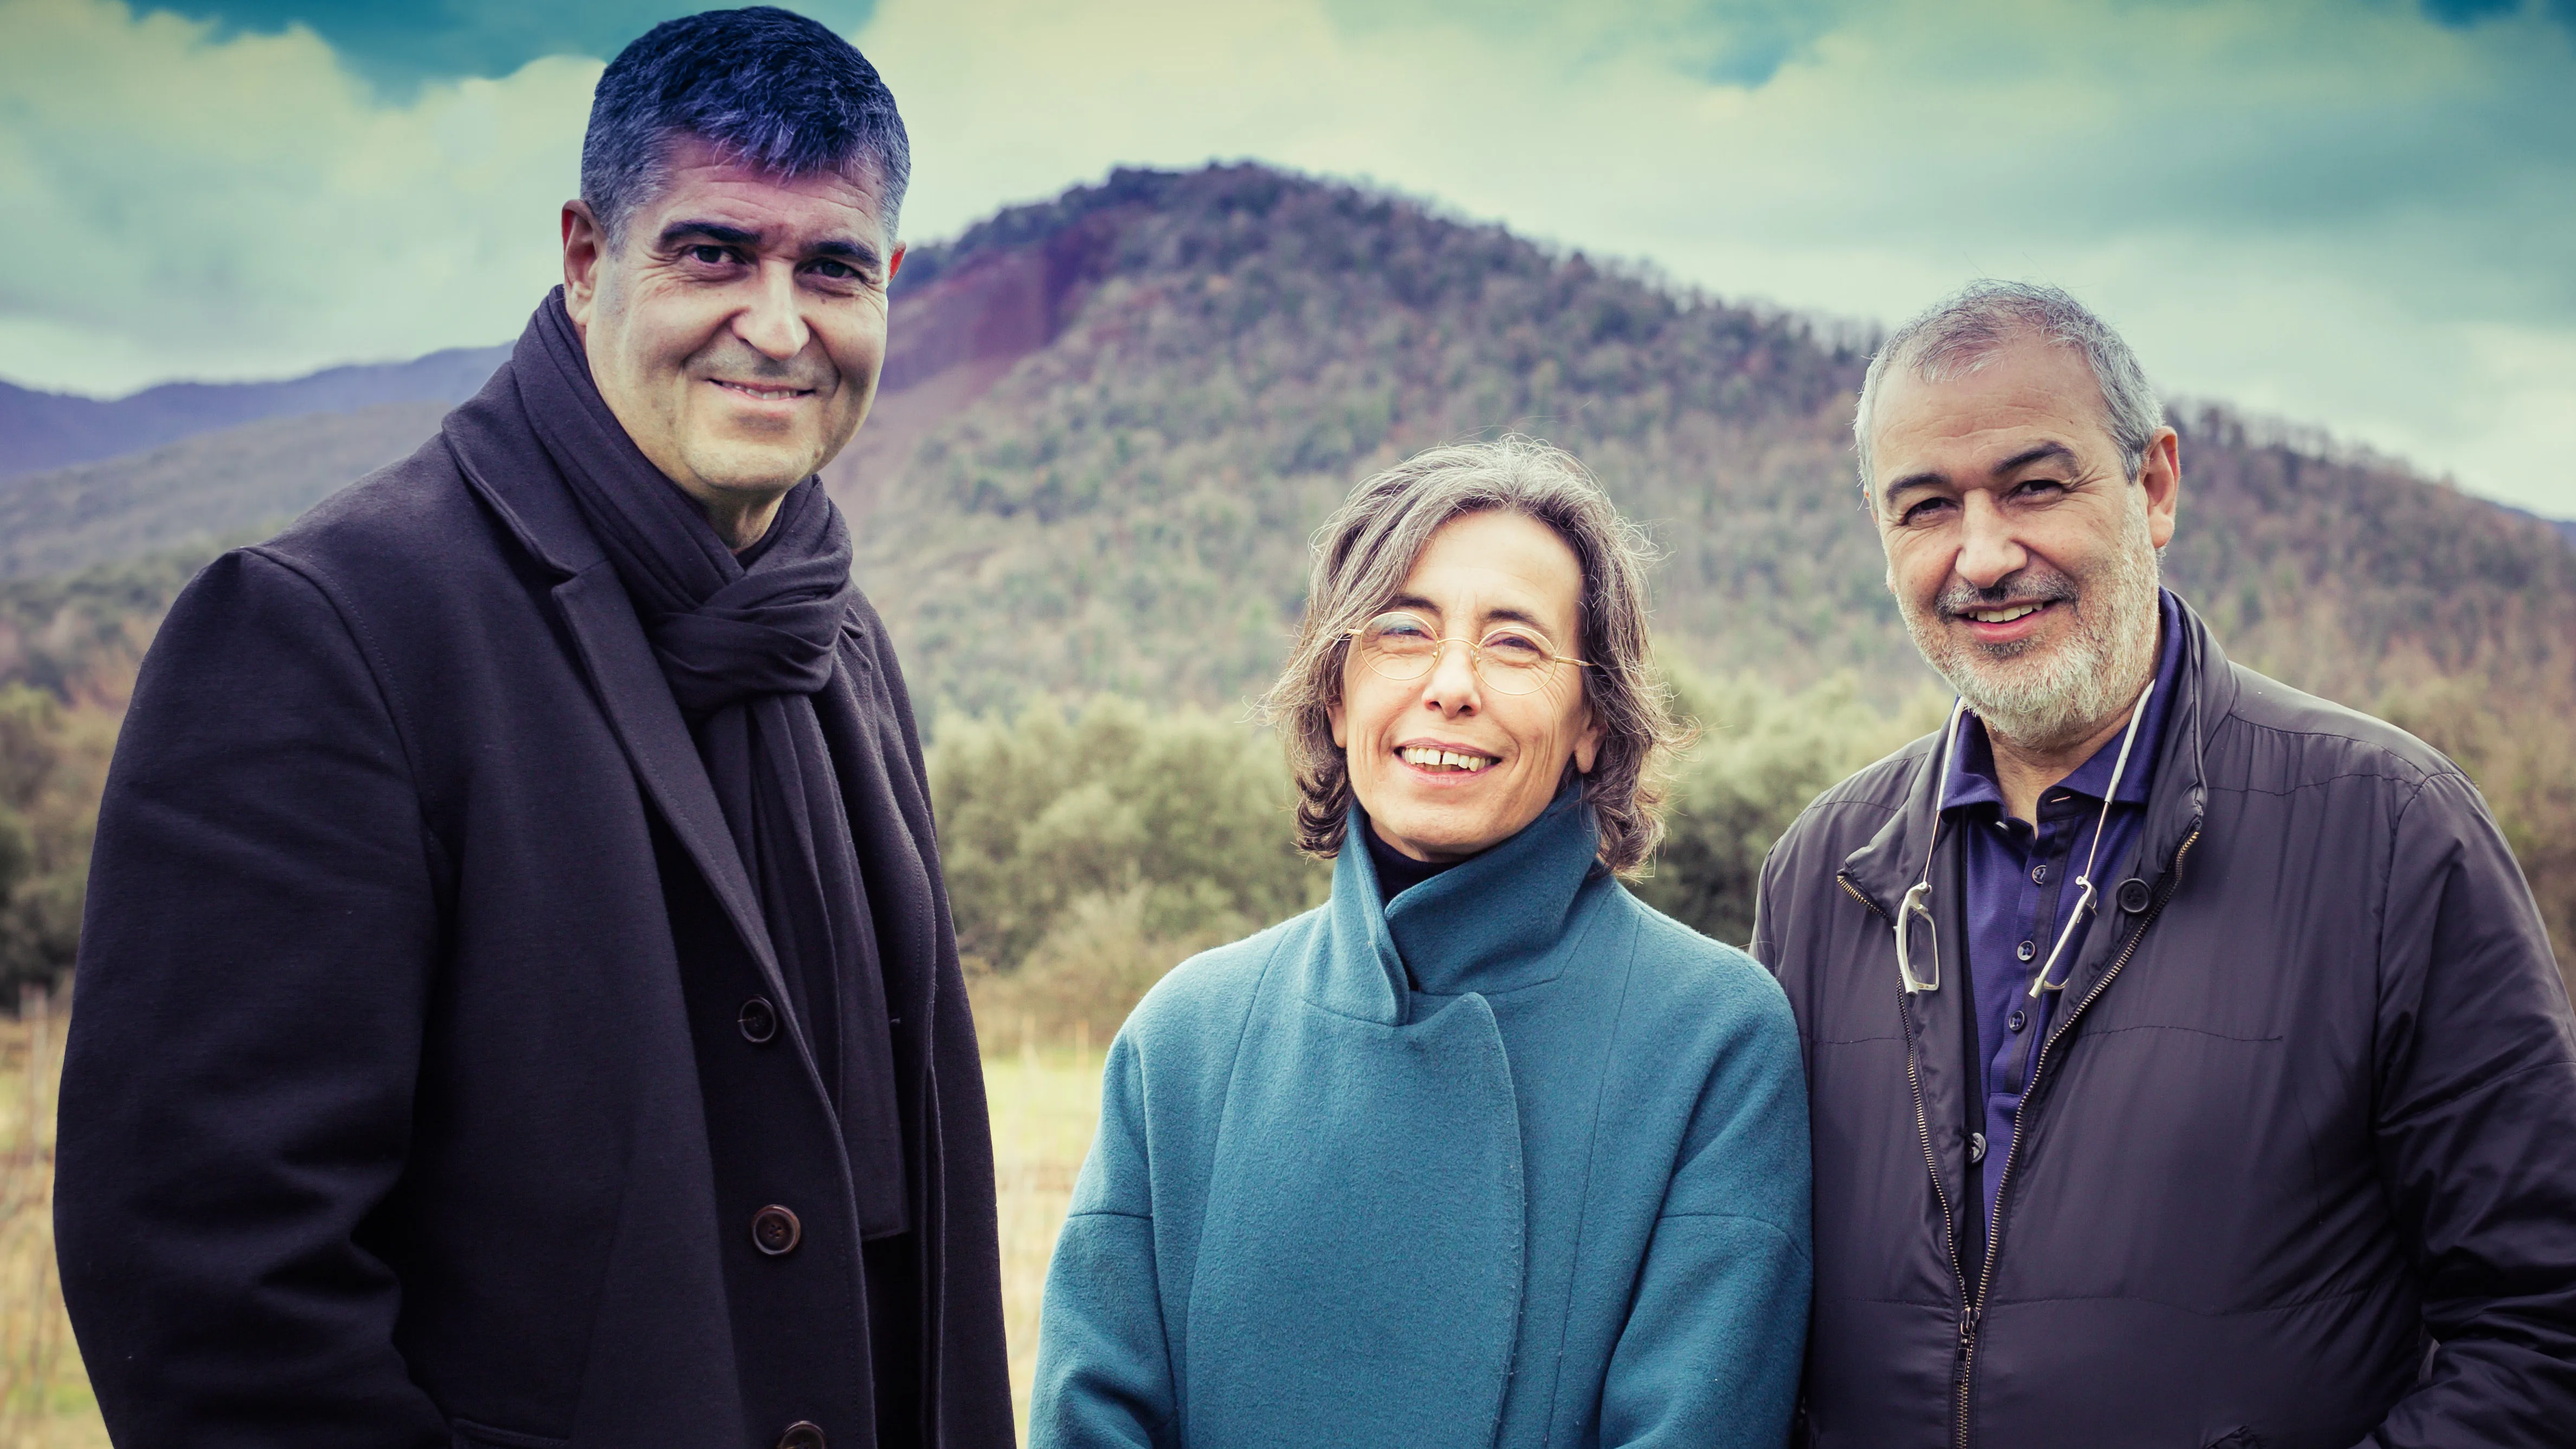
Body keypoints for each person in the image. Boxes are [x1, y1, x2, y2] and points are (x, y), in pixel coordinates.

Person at [54, 10, 1012, 1447]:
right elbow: (213, 1301)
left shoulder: (845, 646)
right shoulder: (323, 633)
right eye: (712, 251)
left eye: (829, 266)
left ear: (887, 285)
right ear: (584, 258)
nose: (777, 320)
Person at [1752, 279, 2576, 1445]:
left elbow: (2542, 1328)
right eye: (1927, 506)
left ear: (2154, 486)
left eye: (2035, 486)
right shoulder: (1825, 870)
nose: (1984, 554)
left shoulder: (2391, 830)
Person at [1028, 438, 1812, 1449]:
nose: (1451, 684)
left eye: (1516, 644)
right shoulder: (1183, 1038)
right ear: (1339, 692)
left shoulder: (1713, 1038)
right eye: (1402, 632)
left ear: (1594, 723)